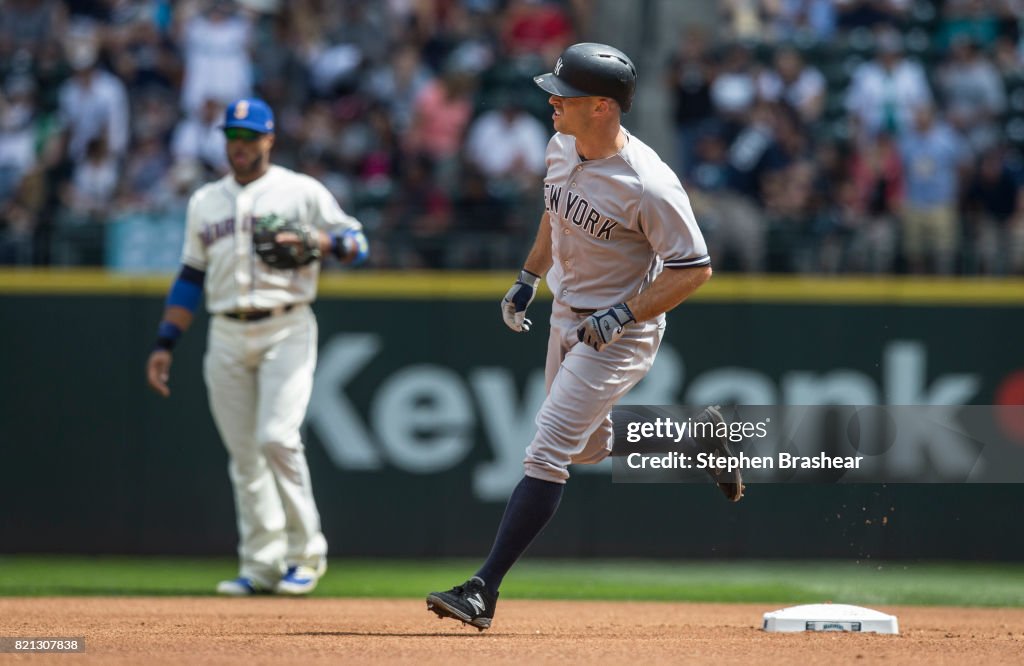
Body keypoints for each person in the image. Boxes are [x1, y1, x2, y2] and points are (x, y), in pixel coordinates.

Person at [425, 43, 742, 632]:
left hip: (620, 332)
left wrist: (623, 314)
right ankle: (694, 438)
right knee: (589, 447)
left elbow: (694, 268)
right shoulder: (560, 145)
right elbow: (556, 211)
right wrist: (528, 276)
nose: (552, 101)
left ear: (601, 106)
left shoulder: (648, 184)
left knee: (545, 450)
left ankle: (482, 589)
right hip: (567, 315)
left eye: (564, 95)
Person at [144, 98, 369, 596]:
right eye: (232, 137)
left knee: (276, 438)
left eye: (248, 137)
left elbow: (358, 243)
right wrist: (166, 341)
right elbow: (189, 276)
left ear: (269, 139)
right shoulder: (205, 200)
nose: (238, 146)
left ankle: (305, 555)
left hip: (285, 325)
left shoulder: (300, 190)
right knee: (244, 455)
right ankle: (261, 564)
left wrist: (320, 242)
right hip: (225, 329)